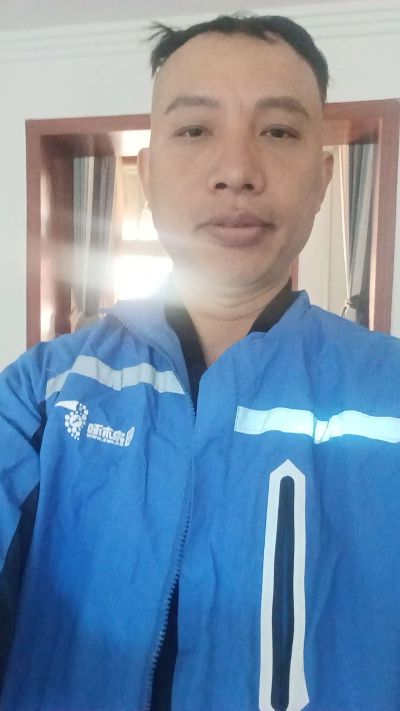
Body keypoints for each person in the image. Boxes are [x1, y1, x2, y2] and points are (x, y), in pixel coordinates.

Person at [1, 13, 400, 711]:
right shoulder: (43, 395)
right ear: (149, 174)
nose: (237, 172)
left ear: (323, 178)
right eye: (194, 130)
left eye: (279, 131)